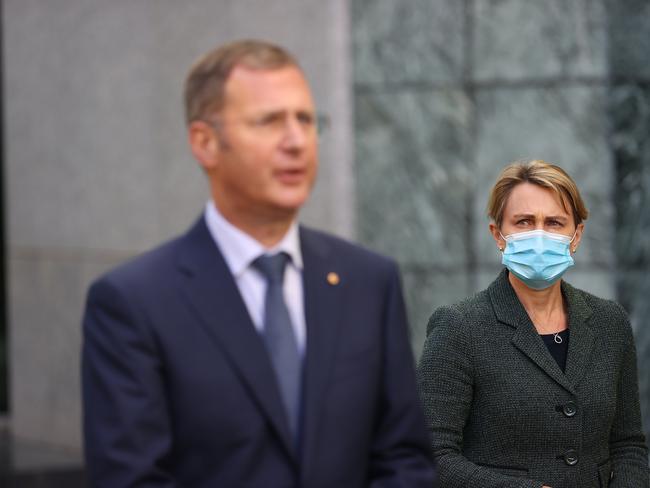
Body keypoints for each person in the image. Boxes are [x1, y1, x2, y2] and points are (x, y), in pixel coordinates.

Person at [81, 39, 435, 487]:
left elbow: (405, 457)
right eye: (269, 121)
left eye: (306, 120)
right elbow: (130, 478)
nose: (296, 141)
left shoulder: (368, 281)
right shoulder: (133, 303)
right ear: (205, 143)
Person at [417, 160, 649, 487]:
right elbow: (431, 454)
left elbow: (628, 446)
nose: (539, 235)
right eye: (524, 221)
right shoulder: (459, 327)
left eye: (554, 223)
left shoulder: (609, 322)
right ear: (498, 234)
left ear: (576, 235)